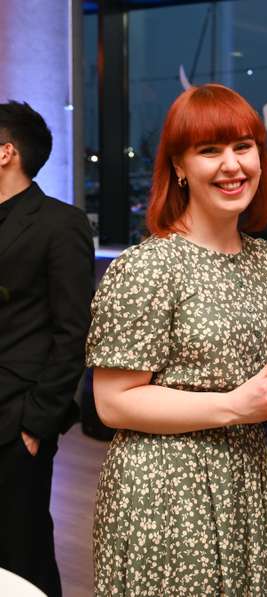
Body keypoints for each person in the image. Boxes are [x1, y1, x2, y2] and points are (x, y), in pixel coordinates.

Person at [85, 84, 267, 595]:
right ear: (179, 167)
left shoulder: (266, 262)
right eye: (210, 150)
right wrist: (238, 405)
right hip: (166, 495)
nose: (232, 165)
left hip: (244, 483)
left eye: (243, 146)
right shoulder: (148, 265)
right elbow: (113, 402)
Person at [0, 101, 93, 596]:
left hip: (16, 421)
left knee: (24, 555)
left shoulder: (61, 223)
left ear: (6, 152)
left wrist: (36, 425)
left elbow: (73, 331)